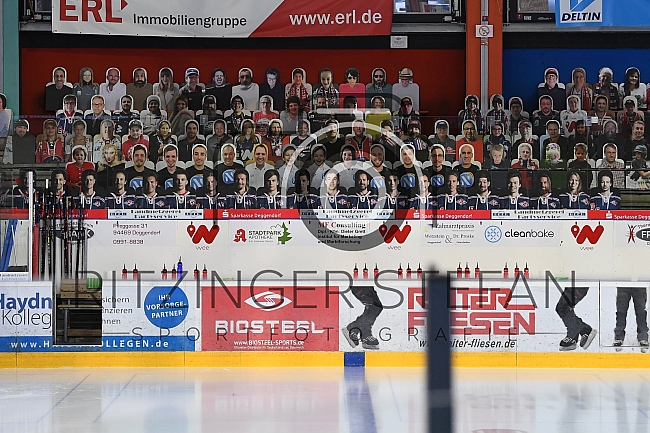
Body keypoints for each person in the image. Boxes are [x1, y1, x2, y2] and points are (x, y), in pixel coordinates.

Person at [612, 283, 648, 349]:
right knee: (621, 311)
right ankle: (618, 337)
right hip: (623, 284)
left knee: (641, 311)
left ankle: (643, 337)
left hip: (639, 284)